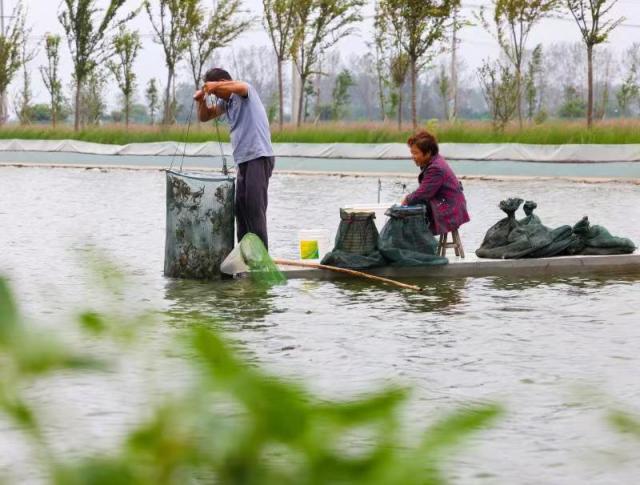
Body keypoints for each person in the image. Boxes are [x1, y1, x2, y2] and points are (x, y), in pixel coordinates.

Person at [194, 67, 275, 249]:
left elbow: (240, 86)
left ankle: (261, 257)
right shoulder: (227, 103)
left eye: (218, 91)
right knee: (241, 208)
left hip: (259, 157)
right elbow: (205, 117)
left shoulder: (244, 92)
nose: (218, 97)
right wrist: (201, 100)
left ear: (223, 83)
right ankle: (245, 255)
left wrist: (212, 87)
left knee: (254, 207)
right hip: (243, 160)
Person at [400, 130, 469, 236]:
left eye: (416, 153)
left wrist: (407, 199)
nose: (413, 156)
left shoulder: (435, 168)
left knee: (411, 209)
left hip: (450, 210)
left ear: (428, 153)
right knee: (414, 207)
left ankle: (417, 244)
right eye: (412, 153)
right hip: (449, 205)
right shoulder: (434, 161)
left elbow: (423, 193)